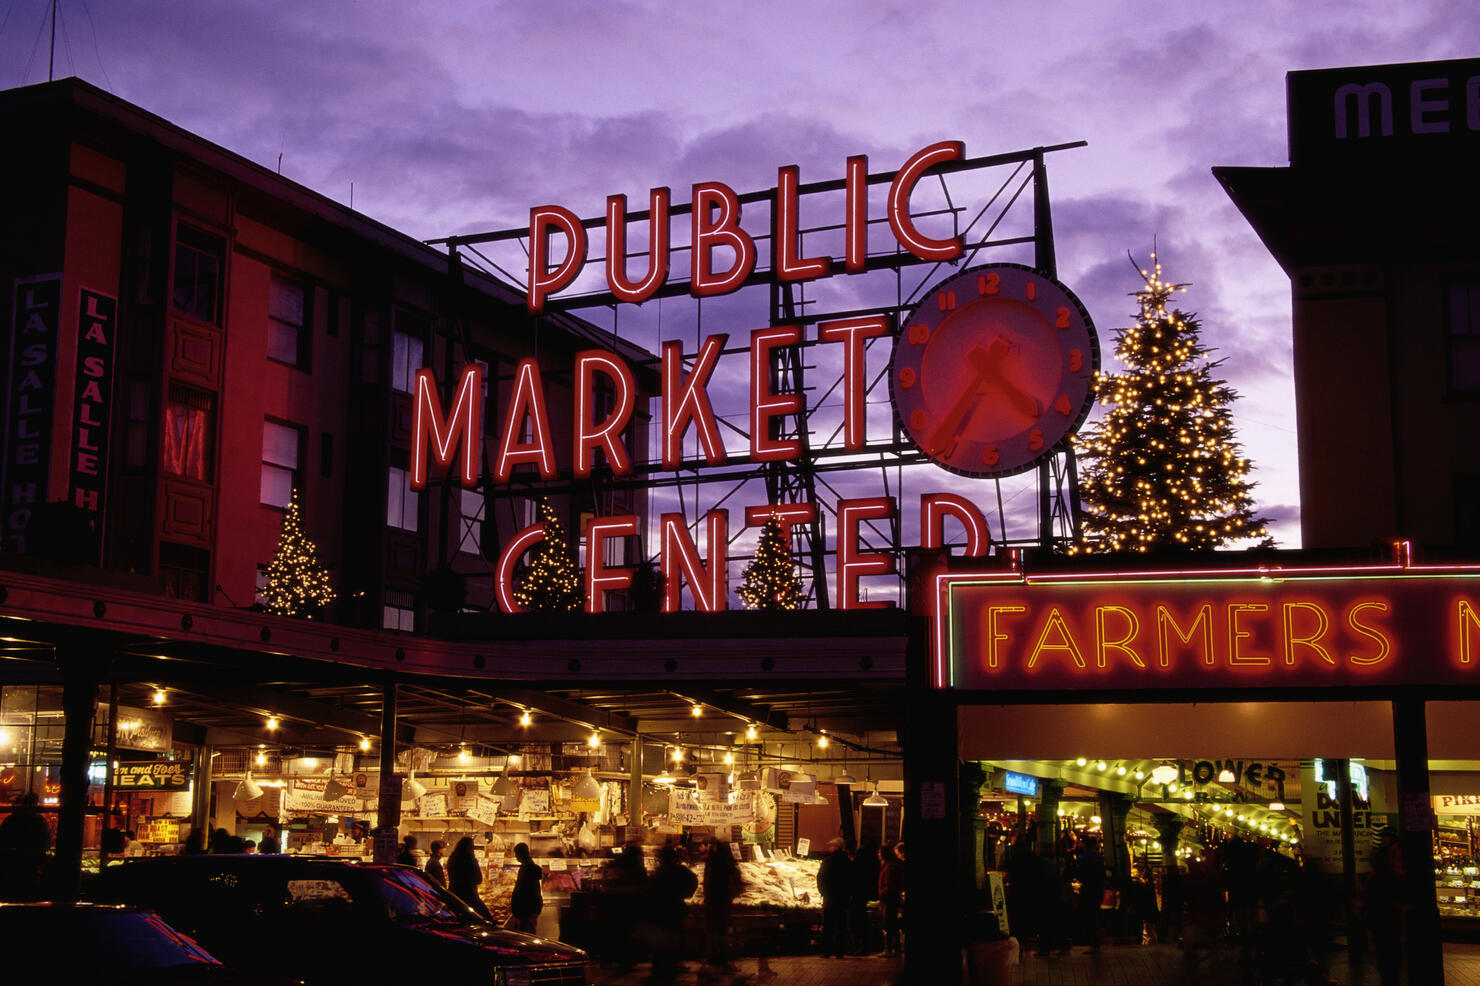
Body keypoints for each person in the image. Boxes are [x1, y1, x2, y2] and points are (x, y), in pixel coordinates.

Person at [644, 842, 697, 983]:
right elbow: (693, 881)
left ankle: (659, 972)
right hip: (675, 910)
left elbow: (648, 892)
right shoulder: (680, 870)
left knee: (660, 945)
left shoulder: (658, 873)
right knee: (672, 942)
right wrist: (686, 895)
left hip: (659, 912)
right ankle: (669, 970)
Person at [601, 843, 647, 972]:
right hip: (629, 903)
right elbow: (643, 885)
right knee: (627, 932)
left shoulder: (615, 863)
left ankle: (608, 959)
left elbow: (605, 881)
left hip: (612, 902)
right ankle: (626, 961)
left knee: (613, 931)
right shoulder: (637, 867)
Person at [0, 793, 51, 900]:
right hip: (31, 862)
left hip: (11, 862)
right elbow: (45, 843)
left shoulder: (11, 820)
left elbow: (3, 840)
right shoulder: (39, 821)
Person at [701, 841, 743, 972]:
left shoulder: (711, 862)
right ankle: (723, 960)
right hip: (722, 902)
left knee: (713, 931)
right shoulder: (728, 864)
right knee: (722, 931)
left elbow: (707, 883)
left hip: (711, 901)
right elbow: (737, 882)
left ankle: (713, 958)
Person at [817, 837, 851, 958]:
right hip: (842, 898)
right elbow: (851, 880)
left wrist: (823, 892)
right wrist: (847, 895)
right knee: (841, 925)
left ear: (837, 847)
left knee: (828, 925)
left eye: (832, 846)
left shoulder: (828, 861)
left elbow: (820, 878)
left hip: (829, 897)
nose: (829, 848)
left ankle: (826, 951)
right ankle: (839, 952)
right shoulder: (847, 861)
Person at [1072, 833, 1106, 952]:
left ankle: (1093, 944)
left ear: (1085, 845)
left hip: (1088, 889)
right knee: (1095, 915)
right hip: (1097, 889)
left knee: (1089, 917)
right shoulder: (1099, 857)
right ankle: (1096, 944)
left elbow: (1078, 873)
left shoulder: (1084, 857)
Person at [447, 836, 493, 920]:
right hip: (469, 894)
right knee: (484, 918)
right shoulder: (470, 860)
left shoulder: (452, 859)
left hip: (454, 895)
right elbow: (478, 879)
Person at [849, 839, 881, 955]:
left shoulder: (859, 861)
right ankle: (864, 946)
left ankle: (860, 946)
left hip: (858, 894)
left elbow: (853, 877)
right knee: (862, 921)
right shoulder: (874, 861)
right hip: (867, 894)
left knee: (858, 921)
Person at [510, 842, 545, 933]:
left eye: (516, 854)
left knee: (526, 934)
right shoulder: (530, 867)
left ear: (521, 854)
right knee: (529, 932)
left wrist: (516, 909)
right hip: (531, 908)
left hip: (526, 909)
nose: (516, 857)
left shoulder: (526, 868)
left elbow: (522, 891)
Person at [878, 842, 904, 957]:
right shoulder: (892, 866)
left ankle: (889, 949)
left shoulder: (889, 867)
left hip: (889, 900)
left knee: (889, 924)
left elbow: (890, 885)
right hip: (891, 898)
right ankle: (896, 949)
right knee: (893, 924)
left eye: (880, 852)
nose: (878, 854)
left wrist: (882, 894)